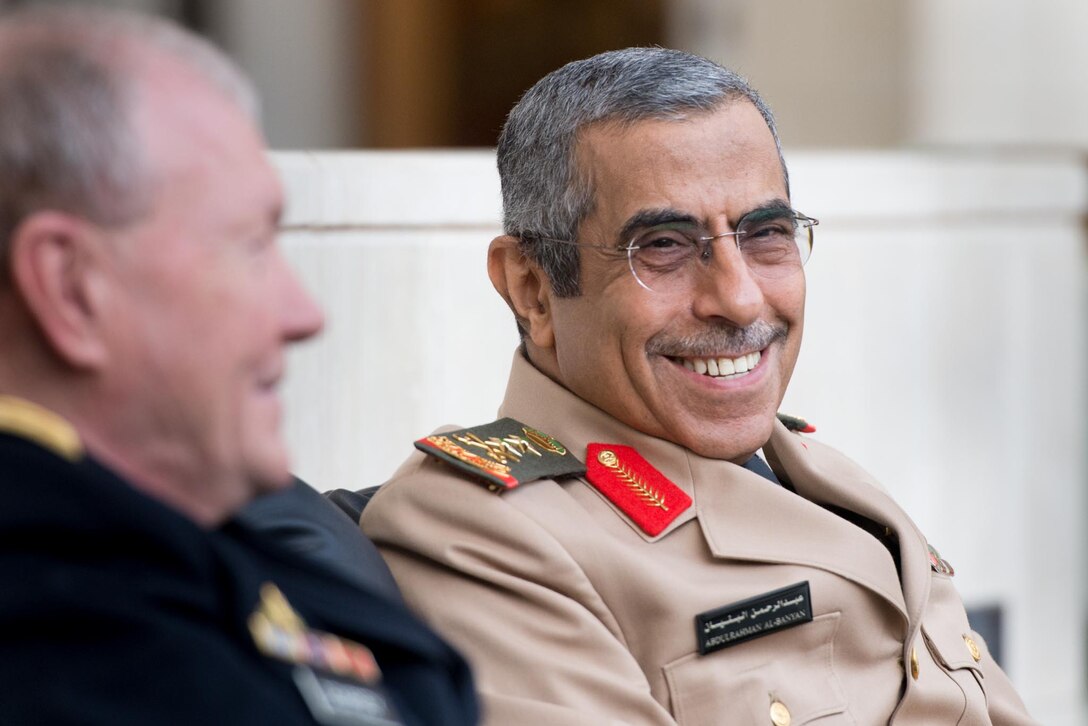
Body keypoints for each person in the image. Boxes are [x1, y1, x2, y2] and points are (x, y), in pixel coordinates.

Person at [360, 48, 1035, 725]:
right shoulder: (477, 534)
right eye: (663, 245)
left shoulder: (819, 475)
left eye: (766, 233)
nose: (740, 300)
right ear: (532, 289)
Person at [0, 6, 477, 725]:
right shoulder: (63, 635)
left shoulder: (198, 566)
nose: (303, 314)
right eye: (250, 246)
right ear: (71, 286)